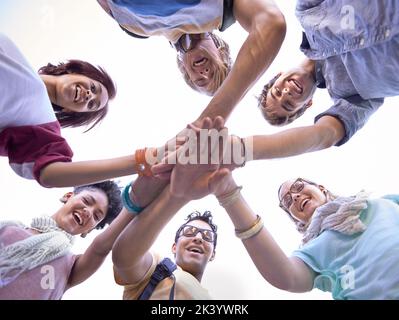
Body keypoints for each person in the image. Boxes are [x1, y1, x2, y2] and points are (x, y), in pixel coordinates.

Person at [0, 33, 168, 188]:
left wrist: (145, 159)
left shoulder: (42, 125)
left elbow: (51, 173)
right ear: (75, 71)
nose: (89, 95)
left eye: (91, 105)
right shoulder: (14, 55)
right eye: (94, 88)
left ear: (71, 111)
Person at [205, 171, 399, 299]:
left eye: (298, 187)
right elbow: (286, 276)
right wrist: (229, 194)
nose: (295, 196)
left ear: (321, 188)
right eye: (288, 201)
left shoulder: (384, 202)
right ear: (298, 220)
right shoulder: (312, 250)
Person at [254, 0, 399, 158]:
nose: (286, 93)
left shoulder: (307, 13)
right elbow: (325, 134)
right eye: (288, 105)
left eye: (277, 91)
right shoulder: (349, 99)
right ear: (307, 104)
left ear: (278, 75)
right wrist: (244, 150)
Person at [97, 0, 286, 121]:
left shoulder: (135, 28)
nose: (204, 72)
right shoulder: (225, 8)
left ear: (184, 69)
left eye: (200, 80)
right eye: (215, 72)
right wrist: (216, 115)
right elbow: (272, 22)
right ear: (222, 53)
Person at [112, 116, 226, 299]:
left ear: (212, 254)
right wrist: (177, 195)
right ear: (174, 247)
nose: (198, 238)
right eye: (189, 231)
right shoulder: (157, 268)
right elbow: (124, 259)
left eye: (207, 237)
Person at [0, 175, 166, 299]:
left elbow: (100, 249)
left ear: (88, 230)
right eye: (87, 201)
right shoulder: (8, 228)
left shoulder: (72, 267)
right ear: (67, 196)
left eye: (96, 216)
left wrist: (136, 200)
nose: (88, 212)